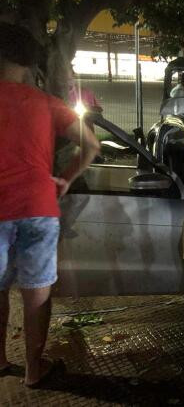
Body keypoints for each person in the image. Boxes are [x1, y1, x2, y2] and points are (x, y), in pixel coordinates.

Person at [0, 23, 100, 387]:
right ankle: (32, 370)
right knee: (36, 293)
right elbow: (91, 145)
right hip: (38, 206)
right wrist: (66, 178)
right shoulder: (45, 103)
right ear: (29, 64)